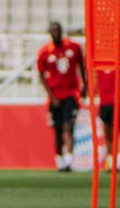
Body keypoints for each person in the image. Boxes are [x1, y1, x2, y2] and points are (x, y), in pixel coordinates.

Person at [36, 23, 87, 172]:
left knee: (69, 126)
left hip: (71, 94)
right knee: (58, 129)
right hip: (55, 96)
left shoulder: (74, 47)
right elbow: (41, 74)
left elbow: (82, 66)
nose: (55, 33)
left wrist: (85, 86)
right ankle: (59, 160)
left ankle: (69, 160)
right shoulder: (45, 52)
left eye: (57, 31)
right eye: (53, 31)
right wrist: (51, 96)